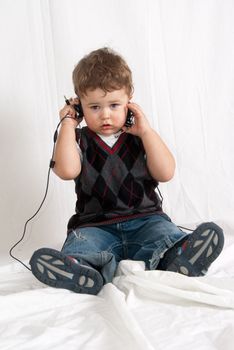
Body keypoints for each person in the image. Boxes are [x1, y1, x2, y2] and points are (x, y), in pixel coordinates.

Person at [30, 47, 224, 294]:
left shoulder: (140, 136)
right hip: (95, 226)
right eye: (94, 107)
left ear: (129, 100)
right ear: (79, 104)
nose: (105, 115)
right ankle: (81, 269)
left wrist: (147, 132)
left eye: (114, 105)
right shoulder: (78, 139)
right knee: (83, 245)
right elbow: (67, 170)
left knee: (163, 234)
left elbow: (165, 173)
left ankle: (177, 259)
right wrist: (68, 123)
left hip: (146, 219)